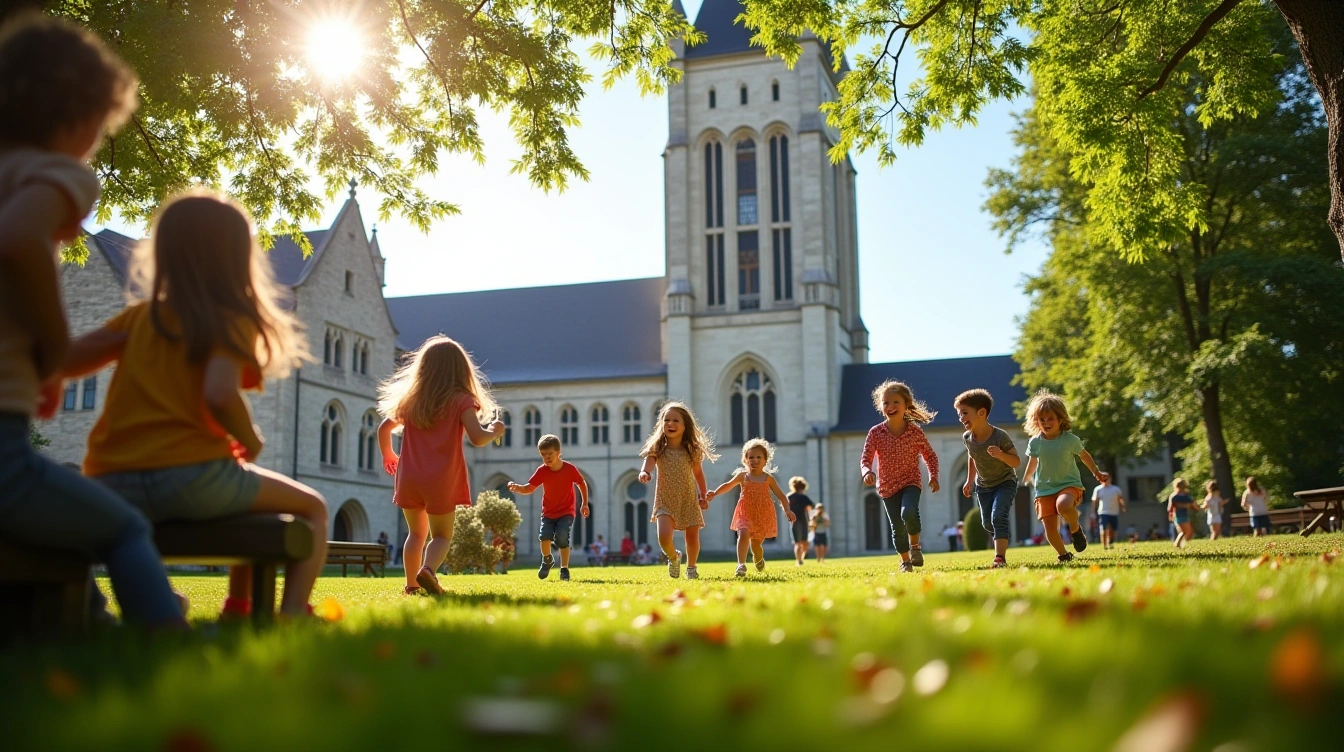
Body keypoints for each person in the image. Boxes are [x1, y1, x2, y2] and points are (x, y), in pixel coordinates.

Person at [59, 191, 327, 620]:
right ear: (238, 258)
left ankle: (221, 604)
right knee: (312, 506)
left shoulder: (138, 317)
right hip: (193, 475)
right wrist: (250, 438)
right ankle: (292, 610)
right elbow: (219, 393)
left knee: (246, 499)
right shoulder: (226, 319)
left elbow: (68, 360)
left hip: (111, 479)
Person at [0, 14, 185, 630]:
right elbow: (20, 237)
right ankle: (166, 634)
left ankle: (90, 626)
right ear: (79, 118)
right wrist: (54, 349)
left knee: (57, 523)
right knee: (121, 527)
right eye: (101, 130)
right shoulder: (57, 173)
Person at [378, 335, 505, 595]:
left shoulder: (412, 400)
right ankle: (428, 570)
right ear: (461, 369)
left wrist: (388, 455)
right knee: (441, 536)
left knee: (415, 534)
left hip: (409, 476)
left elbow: (384, 428)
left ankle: (411, 586)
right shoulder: (462, 400)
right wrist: (495, 430)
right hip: (440, 479)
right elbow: (478, 438)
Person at [860, 380, 940, 573]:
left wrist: (933, 475)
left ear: (906, 405)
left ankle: (915, 547)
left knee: (909, 512)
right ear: (881, 407)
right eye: (886, 403)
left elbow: (930, 456)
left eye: (896, 402)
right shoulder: (876, 432)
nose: (891, 406)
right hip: (887, 487)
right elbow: (865, 458)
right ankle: (905, 562)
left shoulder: (915, 432)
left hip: (910, 481)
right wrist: (867, 472)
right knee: (897, 527)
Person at [1021, 391, 1103, 564]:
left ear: (1060, 419)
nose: (1046, 423)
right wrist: (1026, 477)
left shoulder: (1070, 439)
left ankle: (1075, 528)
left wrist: (1096, 471)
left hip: (1068, 484)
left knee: (1063, 505)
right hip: (1044, 489)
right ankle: (1064, 555)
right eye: (1042, 419)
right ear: (1036, 421)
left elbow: (1084, 456)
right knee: (1050, 528)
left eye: (1050, 418)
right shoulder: (1035, 442)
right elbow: (1033, 462)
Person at [637, 401, 717, 580]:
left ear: (685, 425)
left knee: (692, 537)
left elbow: (698, 474)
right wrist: (645, 472)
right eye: (666, 420)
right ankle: (674, 557)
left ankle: (691, 567)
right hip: (664, 499)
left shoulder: (691, 449)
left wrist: (703, 496)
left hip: (688, 498)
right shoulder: (657, 447)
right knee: (664, 537)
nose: (670, 424)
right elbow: (648, 462)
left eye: (675, 420)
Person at [706, 438, 796, 578]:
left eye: (759, 457)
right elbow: (728, 485)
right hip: (745, 511)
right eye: (751, 457)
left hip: (762, 514)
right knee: (743, 533)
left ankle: (758, 558)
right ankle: (741, 564)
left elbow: (782, 496)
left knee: (756, 545)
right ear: (745, 460)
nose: (755, 460)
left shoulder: (768, 478)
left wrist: (787, 510)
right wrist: (715, 493)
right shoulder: (742, 476)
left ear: (765, 460)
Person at [507, 433, 589, 581]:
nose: (547, 457)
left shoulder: (569, 469)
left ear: (558, 452)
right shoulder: (542, 471)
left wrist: (584, 503)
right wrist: (517, 487)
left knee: (562, 538)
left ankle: (564, 569)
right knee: (544, 537)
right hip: (549, 513)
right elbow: (529, 488)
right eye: (543, 455)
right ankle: (547, 560)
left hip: (566, 511)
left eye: (550, 454)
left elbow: (581, 483)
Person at [955, 388, 1021, 568]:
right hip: (983, 487)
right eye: (959, 414)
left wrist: (1001, 455)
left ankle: (1000, 558)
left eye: (964, 413)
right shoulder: (967, 437)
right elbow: (972, 456)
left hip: (1005, 482)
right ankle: (1002, 532)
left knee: (998, 516)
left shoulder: (1000, 436)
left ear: (982, 413)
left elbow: (1016, 462)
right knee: (987, 523)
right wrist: (969, 480)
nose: (960, 418)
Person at [1092, 472, 1126, 549]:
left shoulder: (1116, 489)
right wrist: (1093, 511)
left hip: (1114, 512)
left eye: (1106, 477)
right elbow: (1094, 501)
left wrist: (1123, 507)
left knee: (1113, 529)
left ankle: (1111, 542)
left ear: (1110, 478)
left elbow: (1120, 499)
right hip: (1103, 512)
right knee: (1103, 528)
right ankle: (1104, 545)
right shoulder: (1098, 489)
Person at [786, 476, 814, 565]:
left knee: (797, 543)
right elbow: (810, 508)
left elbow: (785, 508)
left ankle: (799, 560)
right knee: (804, 542)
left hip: (793, 521)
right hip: (803, 520)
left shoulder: (789, 497)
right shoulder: (803, 497)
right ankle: (801, 559)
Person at [1168, 478, 1196, 548]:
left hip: (1185, 516)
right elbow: (1170, 508)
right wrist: (1170, 515)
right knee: (1184, 532)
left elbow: (1192, 504)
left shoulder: (1186, 496)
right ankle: (1177, 544)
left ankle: (1182, 544)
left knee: (1189, 532)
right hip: (1178, 516)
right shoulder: (1175, 496)